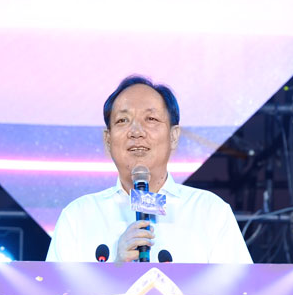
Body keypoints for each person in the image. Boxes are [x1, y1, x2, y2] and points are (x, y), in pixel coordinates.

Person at [45, 75, 252, 264]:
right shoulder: (78, 217)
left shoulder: (210, 213)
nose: (136, 132)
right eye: (123, 120)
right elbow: (57, 292)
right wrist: (115, 268)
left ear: (174, 136)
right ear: (108, 140)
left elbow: (241, 290)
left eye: (151, 119)